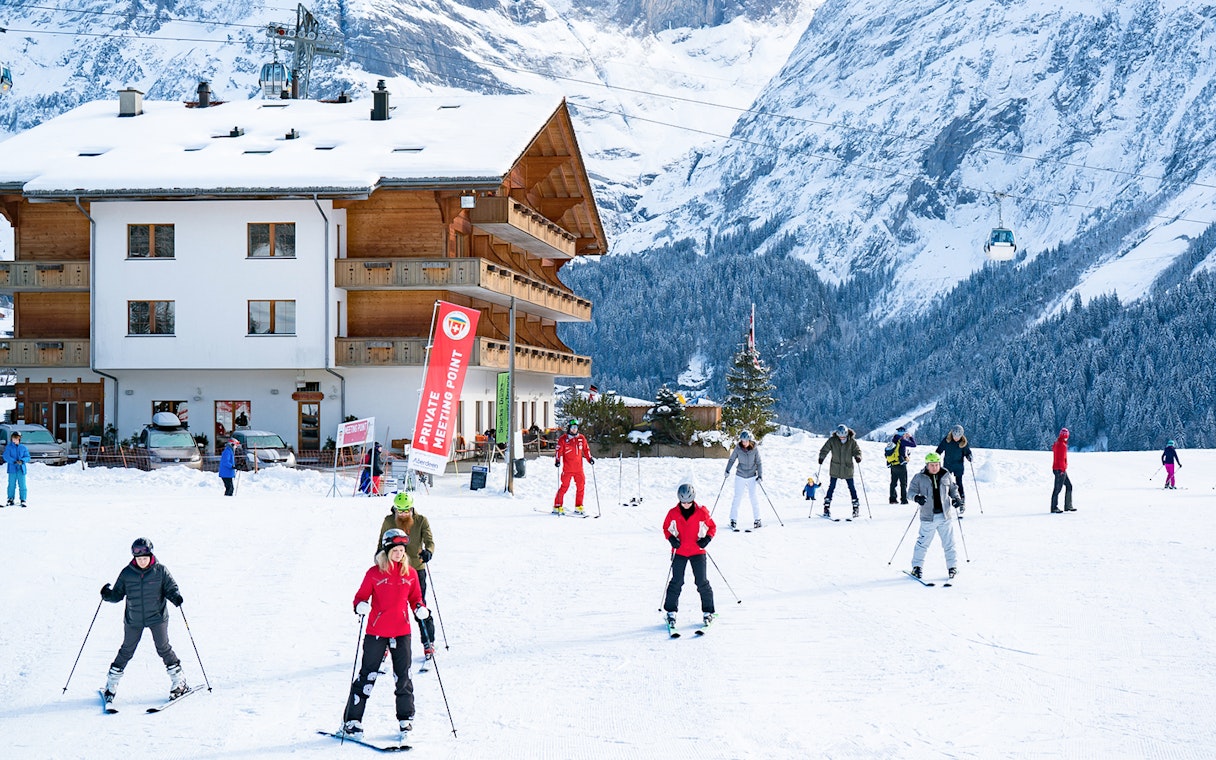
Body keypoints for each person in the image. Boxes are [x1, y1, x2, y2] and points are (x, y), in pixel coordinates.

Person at [340, 529, 427, 742]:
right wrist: (360, 605)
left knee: (403, 676)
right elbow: (360, 597)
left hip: (401, 631)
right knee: (367, 675)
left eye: (401, 550)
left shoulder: (410, 573)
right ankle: (352, 721)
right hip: (376, 632)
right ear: (386, 550)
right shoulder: (374, 573)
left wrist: (419, 608)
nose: (399, 554)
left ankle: (406, 720)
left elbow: (416, 597)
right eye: (395, 550)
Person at [99, 537, 189, 706]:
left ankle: (179, 681)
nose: (141, 561)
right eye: (138, 558)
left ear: (150, 555)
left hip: (157, 617)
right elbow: (117, 595)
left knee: (163, 648)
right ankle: (111, 686)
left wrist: (176, 597)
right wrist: (107, 595)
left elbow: (171, 588)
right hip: (134, 619)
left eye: (144, 558)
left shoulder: (160, 571)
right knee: (126, 650)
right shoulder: (127, 573)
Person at [377, 492, 437, 659]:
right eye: (399, 511)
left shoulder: (421, 521)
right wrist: (379, 560)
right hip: (394, 570)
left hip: (416, 569)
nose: (403, 514)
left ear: (411, 509)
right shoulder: (389, 521)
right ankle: (386, 644)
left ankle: (428, 642)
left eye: (406, 511)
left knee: (419, 606)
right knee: (391, 608)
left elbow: (430, 541)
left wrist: (428, 552)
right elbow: (381, 542)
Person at [662, 483, 717, 630]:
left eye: (688, 502)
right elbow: (666, 528)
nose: (686, 505)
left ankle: (708, 611)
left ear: (693, 499)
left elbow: (712, 527)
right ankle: (671, 612)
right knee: (676, 582)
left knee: (702, 582)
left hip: (697, 551)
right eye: (683, 502)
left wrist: (707, 539)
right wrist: (671, 539)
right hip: (679, 551)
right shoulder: (673, 512)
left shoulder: (702, 512)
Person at [906, 453, 963, 579]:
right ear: (927, 465)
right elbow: (909, 493)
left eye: (936, 465)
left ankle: (952, 567)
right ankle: (917, 567)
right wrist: (917, 498)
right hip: (928, 517)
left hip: (945, 516)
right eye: (932, 465)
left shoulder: (946, 474)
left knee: (949, 543)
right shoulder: (919, 477)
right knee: (922, 543)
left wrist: (956, 499)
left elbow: (953, 489)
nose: (934, 467)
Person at [818, 424, 862, 519]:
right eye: (840, 436)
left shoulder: (852, 442)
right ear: (837, 434)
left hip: (847, 468)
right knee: (832, 487)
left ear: (847, 433)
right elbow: (825, 449)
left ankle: (855, 507)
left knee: (851, 487)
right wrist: (821, 457)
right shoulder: (832, 441)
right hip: (835, 468)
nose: (842, 437)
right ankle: (826, 507)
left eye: (844, 435)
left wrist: (858, 457)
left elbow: (857, 451)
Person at [552, 419, 594, 515]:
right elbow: (558, 451)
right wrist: (557, 461)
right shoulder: (563, 439)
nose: (574, 430)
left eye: (576, 428)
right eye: (572, 427)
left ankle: (579, 505)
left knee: (581, 486)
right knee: (564, 487)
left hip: (579, 469)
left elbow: (586, 450)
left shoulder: (581, 438)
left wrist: (589, 459)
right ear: (569, 428)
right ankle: (557, 505)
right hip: (568, 469)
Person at [725, 430, 763, 530]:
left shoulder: (755, 449)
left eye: (745, 441)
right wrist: (727, 470)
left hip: (751, 476)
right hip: (740, 475)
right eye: (742, 441)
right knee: (737, 497)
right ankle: (733, 520)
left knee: (753, 497)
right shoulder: (738, 448)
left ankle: (757, 520)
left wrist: (760, 476)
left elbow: (759, 462)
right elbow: (732, 459)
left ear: (749, 440)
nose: (744, 443)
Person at [935, 424, 973, 510]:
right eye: (955, 436)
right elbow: (939, 450)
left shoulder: (963, 442)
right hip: (947, 465)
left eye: (958, 436)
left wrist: (969, 457)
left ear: (961, 435)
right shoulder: (947, 440)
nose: (956, 438)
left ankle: (961, 501)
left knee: (959, 483)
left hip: (958, 466)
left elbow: (967, 452)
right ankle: (943, 501)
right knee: (945, 483)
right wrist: (935, 458)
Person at [885, 426, 917, 504]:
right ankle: (903, 499)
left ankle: (892, 499)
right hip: (901, 464)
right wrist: (910, 437)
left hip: (892, 464)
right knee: (903, 483)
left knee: (893, 482)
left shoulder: (893, 440)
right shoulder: (901, 441)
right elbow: (914, 444)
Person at [4, 430, 31, 507]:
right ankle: (10, 499)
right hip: (12, 469)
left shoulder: (23, 447)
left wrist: (22, 461)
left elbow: (28, 457)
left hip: (21, 469)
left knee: (22, 485)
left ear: (19, 439)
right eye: (13, 438)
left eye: (16, 438)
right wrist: (14, 461)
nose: (14, 440)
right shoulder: (9, 447)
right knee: (11, 485)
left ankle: (23, 499)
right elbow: (6, 456)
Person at [1050, 427, 1074, 513]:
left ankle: (1068, 506)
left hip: (1057, 468)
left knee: (1069, 486)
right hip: (1060, 470)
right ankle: (1054, 507)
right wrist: (1062, 470)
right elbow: (1061, 459)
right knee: (1057, 489)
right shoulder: (1062, 446)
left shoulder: (1057, 444)